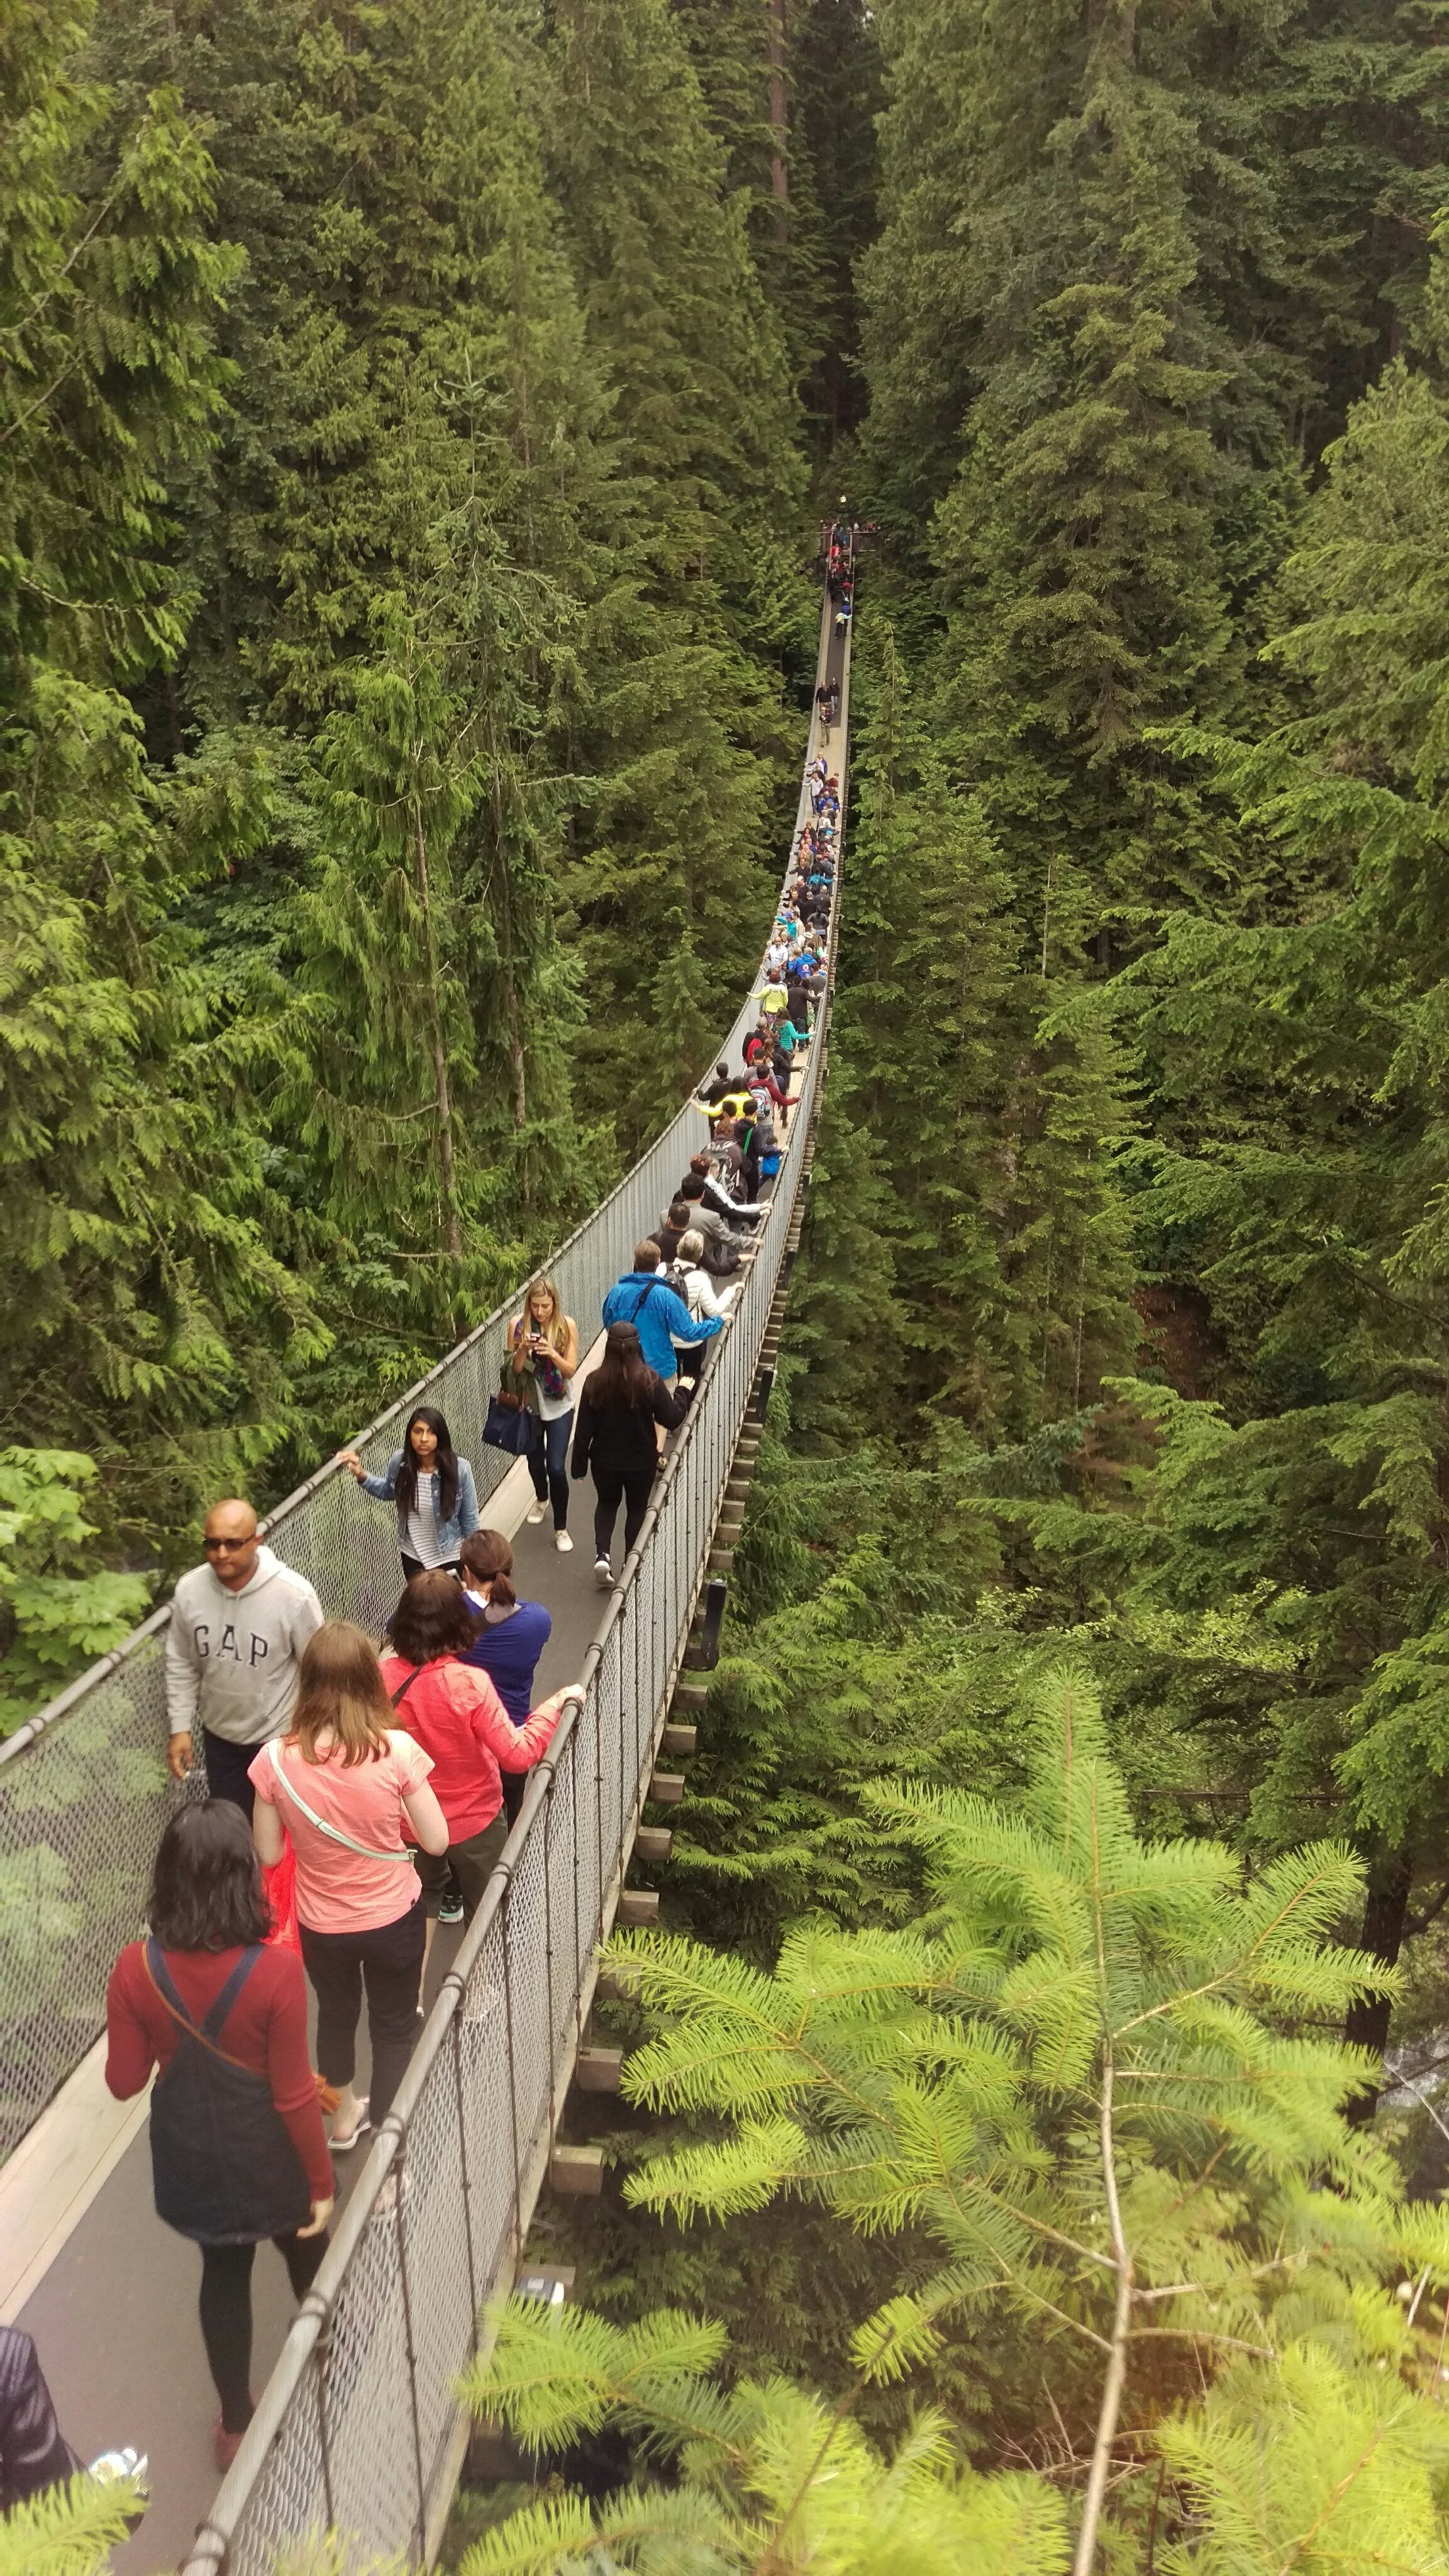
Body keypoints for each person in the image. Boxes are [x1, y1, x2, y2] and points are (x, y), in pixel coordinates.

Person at [106, 1801, 338, 2470]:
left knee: (223, 2271)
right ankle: (334, 2346)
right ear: (243, 1876)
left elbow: (123, 2081)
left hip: (195, 2155)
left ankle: (236, 2425)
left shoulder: (135, 1968)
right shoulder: (275, 1971)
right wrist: (320, 2183)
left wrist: (151, 2027)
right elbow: (294, 2094)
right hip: (272, 2152)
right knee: (305, 2247)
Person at [249, 1621, 450, 2158]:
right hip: (391, 1914)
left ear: (307, 1680)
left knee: (336, 2017)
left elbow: (268, 1854)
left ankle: (343, 2122)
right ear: (369, 1677)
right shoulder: (397, 1751)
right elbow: (436, 1839)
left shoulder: (273, 1761)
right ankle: (391, 2136)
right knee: (393, 2024)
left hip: (322, 1924)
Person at [380, 1573, 574, 1924]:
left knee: (415, 1905)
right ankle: (482, 1975)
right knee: (491, 1917)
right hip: (475, 1821)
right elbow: (517, 1757)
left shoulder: (379, 1678)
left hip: (410, 1823)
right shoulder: (469, 1684)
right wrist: (553, 1707)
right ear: (459, 1620)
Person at [165, 1502, 324, 1817]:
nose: (221, 1553)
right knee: (234, 1828)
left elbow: (319, 1668)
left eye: (233, 1543)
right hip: (220, 1740)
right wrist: (180, 1727)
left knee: (285, 1829)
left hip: (280, 1740)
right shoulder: (189, 1591)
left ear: (256, 1540)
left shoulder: (293, 1596)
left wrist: (312, 1731)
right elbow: (180, 1661)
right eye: (212, 1543)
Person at [572, 1322, 691, 1587]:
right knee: (637, 1508)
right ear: (637, 1347)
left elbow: (583, 1430)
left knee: (606, 1504)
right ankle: (629, 1561)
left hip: (604, 1461)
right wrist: (682, 1391)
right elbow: (671, 1418)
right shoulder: (649, 1381)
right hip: (641, 1462)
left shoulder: (594, 1381)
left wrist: (578, 1468)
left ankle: (603, 1554)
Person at [458, 1530, 552, 1828]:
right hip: (512, 1738)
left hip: (465, 1740)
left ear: (466, 1573)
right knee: (512, 1812)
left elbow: (397, 1625)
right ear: (509, 1570)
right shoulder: (537, 1620)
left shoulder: (448, 1616)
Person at [335, 1406, 478, 1582]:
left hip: (449, 1556)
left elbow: (470, 1522)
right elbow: (388, 1491)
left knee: (451, 1608)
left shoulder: (460, 1469)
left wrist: (473, 1568)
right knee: (420, 1608)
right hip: (413, 1557)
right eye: (418, 1432)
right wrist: (361, 1474)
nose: (424, 1439)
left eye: (431, 1432)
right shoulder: (400, 1462)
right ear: (410, 1435)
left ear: (440, 1437)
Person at [506, 1277, 579, 1553]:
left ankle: (561, 1528)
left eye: (545, 1306)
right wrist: (522, 1351)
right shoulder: (516, 1326)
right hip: (530, 1406)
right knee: (535, 1462)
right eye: (535, 1306)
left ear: (554, 1304)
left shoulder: (566, 1326)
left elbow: (571, 1370)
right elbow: (512, 1372)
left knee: (556, 1467)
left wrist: (552, 1355)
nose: (540, 1312)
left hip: (560, 1405)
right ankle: (541, 1497)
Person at [601, 1244, 723, 1387]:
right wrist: (717, 1322)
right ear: (658, 1262)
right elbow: (688, 1332)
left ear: (634, 1262)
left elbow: (610, 1326)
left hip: (624, 1371)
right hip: (659, 1372)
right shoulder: (666, 1297)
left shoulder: (615, 1293)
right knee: (666, 1408)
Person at [667, 1230, 737, 1385]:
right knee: (691, 1378)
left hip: (667, 1337)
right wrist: (730, 1292)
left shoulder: (662, 1270)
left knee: (671, 1378)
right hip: (691, 1339)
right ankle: (691, 1405)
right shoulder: (700, 1278)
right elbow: (714, 1310)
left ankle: (673, 1404)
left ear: (679, 1248)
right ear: (699, 1255)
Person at [649, 1196, 694, 1269]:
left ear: (669, 1220)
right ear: (688, 1222)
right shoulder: (693, 1242)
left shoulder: (655, 1239)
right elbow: (712, 1266)